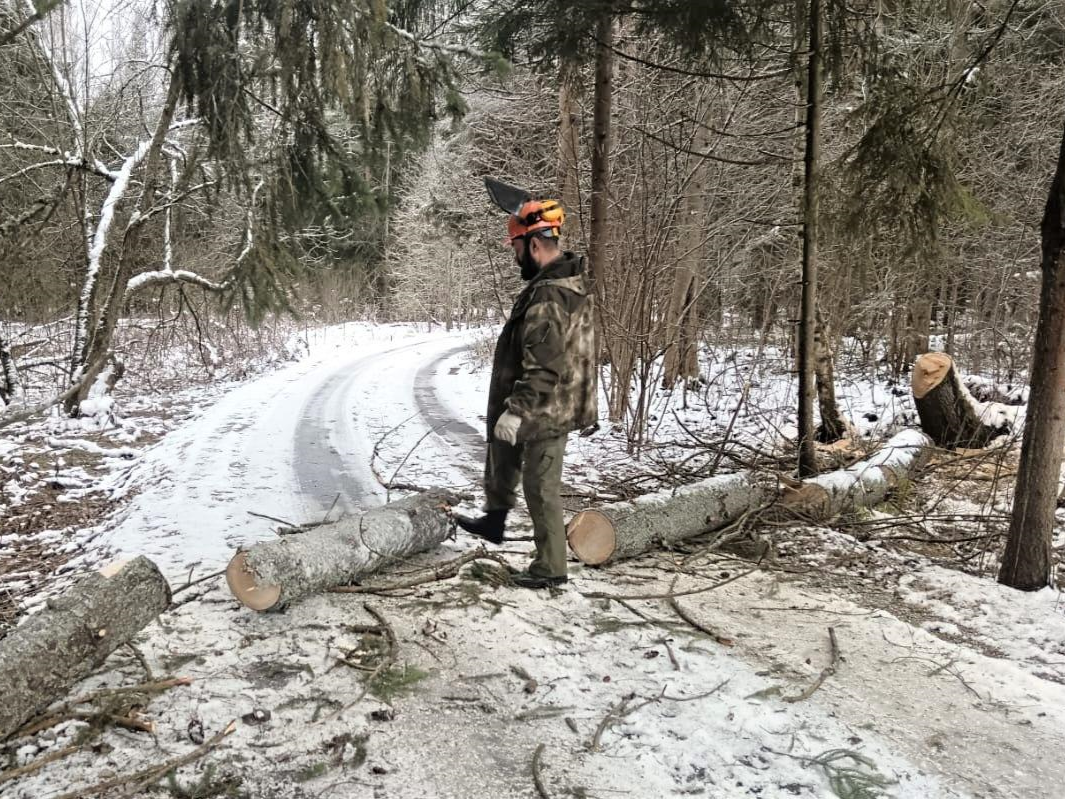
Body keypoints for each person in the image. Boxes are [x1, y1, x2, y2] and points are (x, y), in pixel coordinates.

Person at [455, 193, 597, 589]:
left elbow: (545, 365)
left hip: (549, 406)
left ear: (534, 245)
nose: (514, 257)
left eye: (517, 249)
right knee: (503, 455)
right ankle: (495, 519)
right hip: (541, 398)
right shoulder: (557, 282)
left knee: (540, 484)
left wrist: (517, 409)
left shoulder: (551, 295)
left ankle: (551, 567)